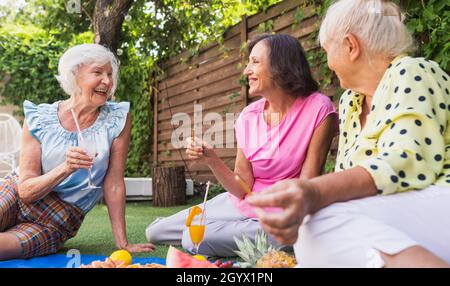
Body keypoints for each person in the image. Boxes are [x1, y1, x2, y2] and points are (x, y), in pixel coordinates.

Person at [248, 0, 450, 268]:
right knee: (313, 226)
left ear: (350, 46)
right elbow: (351, 183)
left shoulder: (411, 71)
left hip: (439, 197)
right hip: (406, 215)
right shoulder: (350, 103)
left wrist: (314, 192)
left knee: (319, 221)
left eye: (327, 50)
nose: (328, 63)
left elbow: (405, 161)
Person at [145, 34, 338, 257]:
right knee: (156, 232)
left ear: (280, 66)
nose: (246, 70)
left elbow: (308, 184)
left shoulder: (319, 109)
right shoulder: (248, 116)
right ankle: (231, 232)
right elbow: (242, 185)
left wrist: (275, 217)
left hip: (284, 214)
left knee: (195, 237)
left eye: (254, 62)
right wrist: (211, 159)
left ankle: (279, 239)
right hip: (242, 203)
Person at [0, 44, 154, 260]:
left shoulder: (117, 118)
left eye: (110, 74)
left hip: (58, 218)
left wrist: (123, 243)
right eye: (98, 72)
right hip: (16, 193)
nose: (107, 81)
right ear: (75, 75)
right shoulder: (39, 117)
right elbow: (25, 191)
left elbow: (115, 182)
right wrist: (66, 168)